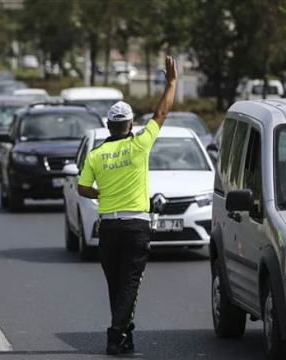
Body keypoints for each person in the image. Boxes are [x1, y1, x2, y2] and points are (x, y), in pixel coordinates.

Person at [77, 55, 178, 355]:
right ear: (131, 124)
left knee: (116, 284)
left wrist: (101, 194)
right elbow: (161, 113)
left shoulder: (95, 155)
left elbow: (82, 188)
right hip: (136, 226)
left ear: (108, 126)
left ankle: (124, 336)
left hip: (107, 226)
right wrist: (171, 82)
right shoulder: (139, 145)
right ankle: (114, 335)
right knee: (130, 284)